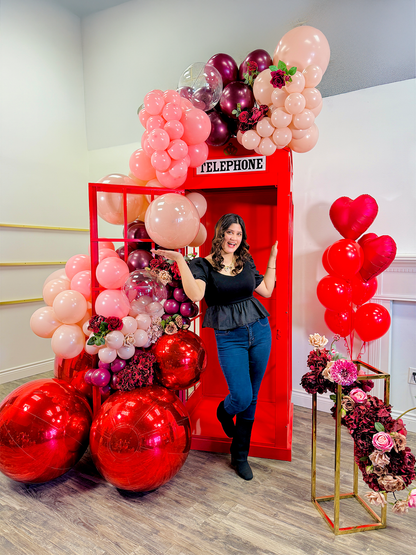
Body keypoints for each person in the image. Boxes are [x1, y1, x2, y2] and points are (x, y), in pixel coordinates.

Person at [152, 213, 277, 480]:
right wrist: (178, 261)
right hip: (230, 337)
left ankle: (239, 456)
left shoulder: (245, 260)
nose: (234, 238)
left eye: (238, 234)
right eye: (230, 232)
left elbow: (266, 290)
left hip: (259, 330)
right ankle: (224, 410)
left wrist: (273, 259)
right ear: (220, 234)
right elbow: (196, 294)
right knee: (241, 397)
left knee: (252, 398)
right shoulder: (202, 265)